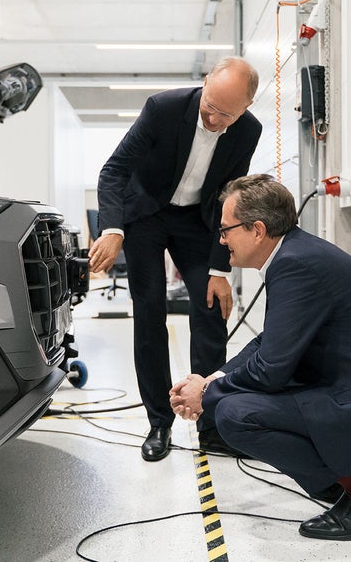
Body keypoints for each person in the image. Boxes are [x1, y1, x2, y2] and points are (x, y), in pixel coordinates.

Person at [169, 174, 351, 540]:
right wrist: (212, 380)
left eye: (226, 230)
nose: (222, 240)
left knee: (236, 416)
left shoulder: (294, 265)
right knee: (233, 401)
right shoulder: (295, 254)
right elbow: (271, 344)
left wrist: (206, 397)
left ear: (256, 230)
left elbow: (270, 370)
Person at [89, 57, 263, 462]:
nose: (216, 119)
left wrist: (221, 269)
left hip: (197, 222)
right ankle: (159, 422)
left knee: (210, 308)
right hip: (145, 216)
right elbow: (114, 170)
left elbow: (230, 197)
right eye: (210, 108)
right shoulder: (163, 108)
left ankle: (211, 422)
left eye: (228, 114)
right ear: (204, 85)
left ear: (246, 109)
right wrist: (113, 230)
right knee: (149, 310)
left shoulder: (248, 131)